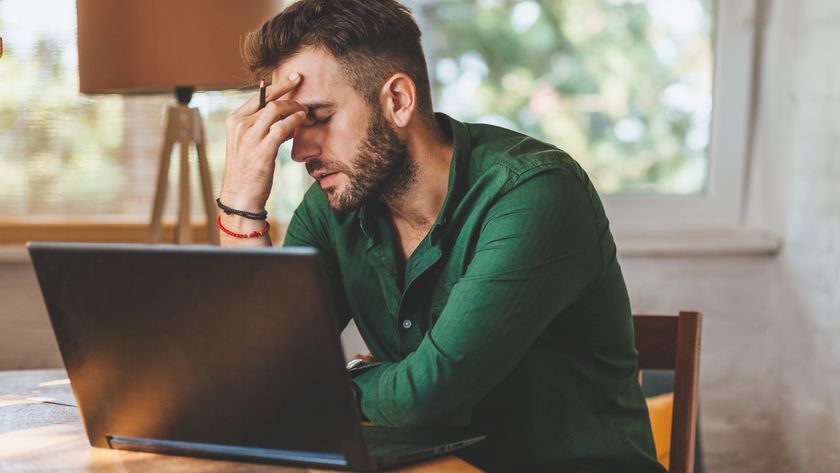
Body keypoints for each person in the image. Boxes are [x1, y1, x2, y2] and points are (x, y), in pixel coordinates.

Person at [217, 1, 665, 471]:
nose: (299, 151)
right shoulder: (333, 207)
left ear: (398, 100)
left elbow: (425, 399)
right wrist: (240, 205)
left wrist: (331, 381)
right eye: (291, 127)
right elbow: (258, 377)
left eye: (319, 118)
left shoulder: (533, 193)